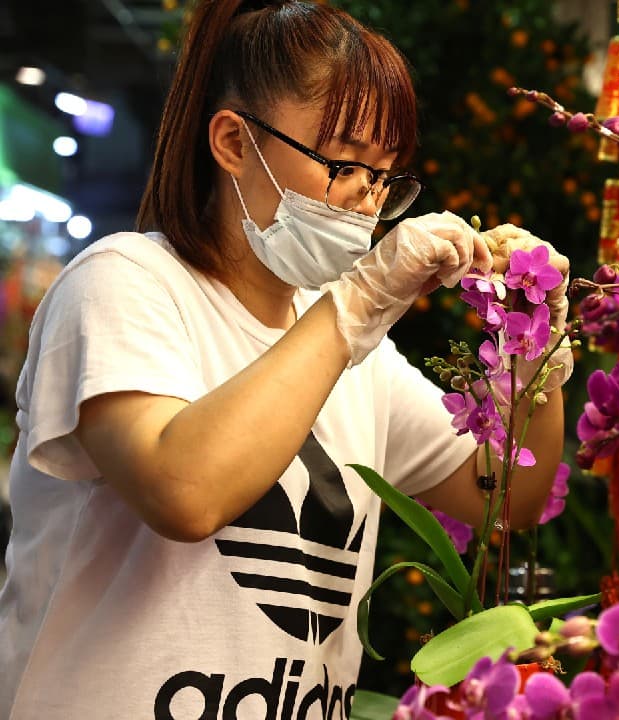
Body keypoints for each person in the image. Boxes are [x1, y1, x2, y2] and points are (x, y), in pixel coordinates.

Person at [0, 1, 571, 716]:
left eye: (385, 177)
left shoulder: (357, 351)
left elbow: (508, 494)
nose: (367, 201)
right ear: (234, 142)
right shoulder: (121, 283)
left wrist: (535, 344)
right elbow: (183, 492)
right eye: (344, 164)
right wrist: (357, 305)